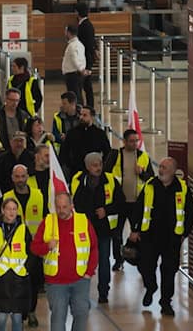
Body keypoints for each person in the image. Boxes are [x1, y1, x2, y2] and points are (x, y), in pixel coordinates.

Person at [129, 157, 193, 316]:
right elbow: (138, 209)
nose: (161, 170)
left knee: (169, 271)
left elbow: (191, 213)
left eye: (164, 168)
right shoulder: (150, 186)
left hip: (171, 239)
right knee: (145, 266)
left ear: (173, 171)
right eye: (160, 167)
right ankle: (150, 287)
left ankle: (166, 302)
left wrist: (184, 233)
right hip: (149, 236)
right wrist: (135, 229)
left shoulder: (182, 189)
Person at [30, 192, 97, 331]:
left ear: (72, 206)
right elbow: (34, 248)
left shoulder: (83, 221)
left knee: (82, 313)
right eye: (58, 207)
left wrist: (89, 272)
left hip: (80, 280)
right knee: (58, 319)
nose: (61, 211)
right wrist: (47, 246)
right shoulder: (48, 222)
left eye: (64, 207)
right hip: (55, 283)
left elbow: (94, 248)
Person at [0, 165, 46, 328]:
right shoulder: (7, 197)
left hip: (34, 248)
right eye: (17, 176)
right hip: (13, 251)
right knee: (16, 284)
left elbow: (44, 219)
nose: (20, 179)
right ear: (12, 178)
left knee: (33, 283)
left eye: (23, 176)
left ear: (27, 176)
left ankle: (31, 312)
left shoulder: (39, 195)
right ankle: (17, 312)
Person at [70, 152, 121, 304]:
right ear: (87, 167)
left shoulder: (110, 180)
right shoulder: (78, 180)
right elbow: (74, 201)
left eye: (99, 164)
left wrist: (106, 210)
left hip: (104, 229)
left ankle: (103, 292)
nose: (98, 168)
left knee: (104, 260)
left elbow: (120, 202)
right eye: (94, 165)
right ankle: (81, 292)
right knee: (82, 262)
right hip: (84, 229)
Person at [105, 129, 154, 271]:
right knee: (116, 233)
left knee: (139, 233)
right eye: (131, 141)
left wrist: (142, 173)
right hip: (119, 203)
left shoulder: (143, 157)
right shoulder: (115, 155)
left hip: (136, 204)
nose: (135, 144)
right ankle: (118, 260)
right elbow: (107, 175)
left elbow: (151, 178)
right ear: (124, 141)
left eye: (136, 141)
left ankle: (141, 259)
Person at [0, 197, 32, 331]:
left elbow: (31, 252)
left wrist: (26, 267)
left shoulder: (23, 229)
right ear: (3, 210)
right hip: (1, 279)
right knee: (2, 316)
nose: (11, 212)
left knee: (17, 317)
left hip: (19, 279)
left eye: (14, 209)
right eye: (8, 209)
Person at [60, 106, 110, 180]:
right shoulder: (72, 133)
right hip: (76, 172)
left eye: (85, 115)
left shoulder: (100, 134)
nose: (81, 117)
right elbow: (64, 152)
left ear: (92, 117)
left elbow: (107, 152)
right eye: (80, 114)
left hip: (95, 173)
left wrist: (100, 165)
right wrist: (69, 165)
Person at [0, 88, 29, 159]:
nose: (15, 103)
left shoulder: (24, 116)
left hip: (21, 153)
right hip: (3, 153)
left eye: (17, 100)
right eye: (12, 100)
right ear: (6, 99)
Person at [75, 3, 97, 109]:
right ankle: (88, 106)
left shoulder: (85, 26)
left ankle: (89, 106)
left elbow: (88, 45)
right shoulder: (85, 24)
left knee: (86, 85)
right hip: (85, 59)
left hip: (85, 60)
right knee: (86, 85)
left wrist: (88, 65)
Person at [61, 25, 86, 101]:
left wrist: (80, 69)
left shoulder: (72, 46)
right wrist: (82, 68)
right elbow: (82, 59)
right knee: (78, 95)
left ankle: (78, 111)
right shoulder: (80, 44)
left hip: (72, 74)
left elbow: (75, 59)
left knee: (74, 97)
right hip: (77, 73)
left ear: (69, 33)